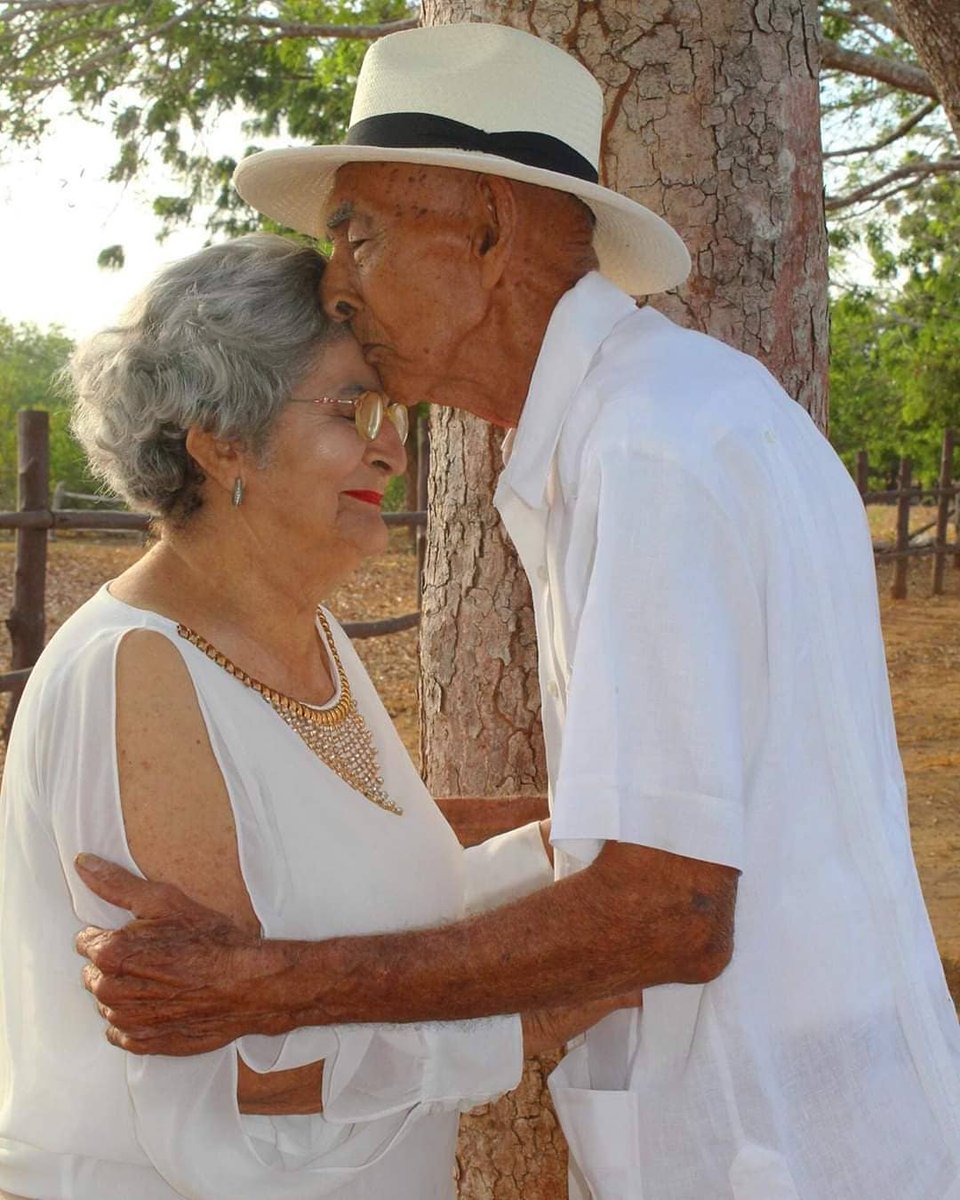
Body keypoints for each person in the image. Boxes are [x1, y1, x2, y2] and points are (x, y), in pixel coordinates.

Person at [75, 24, 960, 1200]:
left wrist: (270, 983)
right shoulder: (661, 418)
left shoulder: (649, 452)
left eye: (359, 233)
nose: (336, 278)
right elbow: (666, 807)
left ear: (485, 233)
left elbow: (672, 908)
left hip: (775, 1142)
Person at [0, 231, 631, 1200]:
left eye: (389, 408)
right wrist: (547, 1006)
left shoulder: (309, 636)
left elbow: (366, 878)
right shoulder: (134, 678)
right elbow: (234, 1072)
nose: (393, 443)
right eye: (352, 409)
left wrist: (591, 850)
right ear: (220, 441)